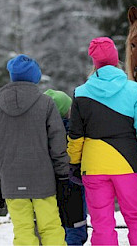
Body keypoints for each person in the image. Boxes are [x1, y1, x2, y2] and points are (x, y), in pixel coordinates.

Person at [67, 37, 137, 246]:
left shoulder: (81, 93)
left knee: (102, 224)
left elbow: (76, 136)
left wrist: (73, 163)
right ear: (116, 60)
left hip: (94, 166)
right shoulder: (133, 89)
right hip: (127, 163)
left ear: (95, 63)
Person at [0, 54, 69, 246]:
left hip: (11, 179)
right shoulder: (46, 104)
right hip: (43, 179)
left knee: (22, 229)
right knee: (50, 227)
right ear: (35, 76)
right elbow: (57, 143)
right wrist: (63, 174)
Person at [44, 89, 88, 246]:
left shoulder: (41, 134)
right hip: (73, 185)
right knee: (75, 226)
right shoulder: (74, 131)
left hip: (47, 188)